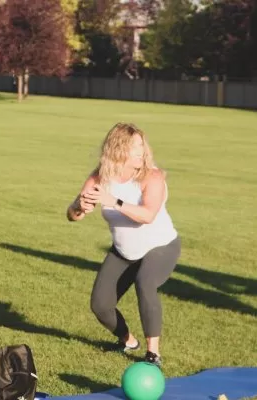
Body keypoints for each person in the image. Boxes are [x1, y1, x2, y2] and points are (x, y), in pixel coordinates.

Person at [66, 123, 180, 367]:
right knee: (100, 305)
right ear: (118, 149)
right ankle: (128, 341)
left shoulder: (152, 177)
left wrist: (113, 201)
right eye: (134, 146)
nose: (142, 150)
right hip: (124, 251)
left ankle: (153, 354)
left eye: (142, 145)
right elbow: (73, 215)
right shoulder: (100, 177)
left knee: (145, 282)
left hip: (160, 246)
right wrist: (79, 207)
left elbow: (147, 215)